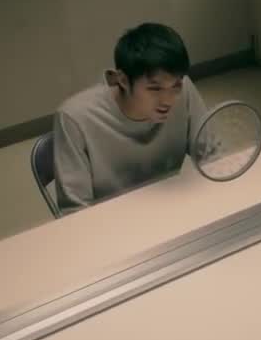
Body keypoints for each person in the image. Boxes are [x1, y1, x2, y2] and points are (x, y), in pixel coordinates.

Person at [52, 22, 209, 214]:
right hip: (111, 221)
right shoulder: (74, 118)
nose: (168, 100)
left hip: (171, 207)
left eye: (176, 85)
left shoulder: (183, 90)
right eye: (155, 88)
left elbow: (214, 158)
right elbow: (75, 212)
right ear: (123, 81)